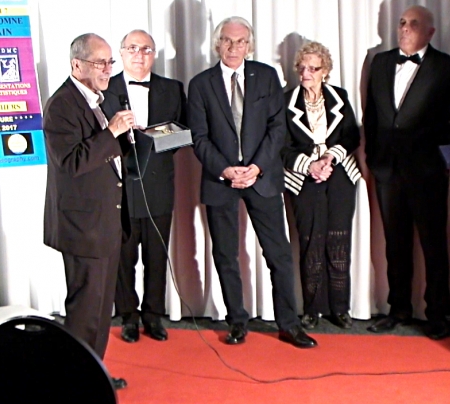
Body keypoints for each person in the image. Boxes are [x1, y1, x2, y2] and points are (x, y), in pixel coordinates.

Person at [187, 16, 317, 348]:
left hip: (263, 179)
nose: (234, 47)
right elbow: (199, 138)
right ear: (218, 44)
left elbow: (278, 128)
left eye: (241, 41)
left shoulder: (267, 76)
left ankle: (288, 323)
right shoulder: (201, 84)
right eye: (228, 41)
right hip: (221, 181)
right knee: (226, 255)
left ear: (250, 45)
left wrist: (256, 167)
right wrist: (227, 170)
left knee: (279, 255)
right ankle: (237, 321)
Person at [363, 5, 450, 339]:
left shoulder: (449, 68)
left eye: (414, 24)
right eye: (402, 23)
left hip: (429, 172)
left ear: (430, 32)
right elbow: (372, 115)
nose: (405, 29)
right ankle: (399, 308)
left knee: (433, 245)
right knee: (395, 243)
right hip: (387, 171)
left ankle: (437, 313)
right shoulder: (379, 62)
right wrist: (372, 158)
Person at [43, 33, 134, 390]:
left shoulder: (102, 99)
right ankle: (73, 383)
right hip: (82, 228)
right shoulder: (61, 105)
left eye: (111, 62)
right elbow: (72, 162)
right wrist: (112, 132)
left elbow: (108, 156)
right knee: (84, 313)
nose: (108, 69)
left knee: (100, 312)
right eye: (100, 62)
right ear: (76, 64)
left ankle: (92, 376)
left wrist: (129, 136)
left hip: (107, 223)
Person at [101, 29, 187, 343]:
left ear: (154, 54)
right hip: (117, 189)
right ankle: (127, 317)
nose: (140, 55)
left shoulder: (172, 88)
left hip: (158, 186)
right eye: (133, 48)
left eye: (147, 49)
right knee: (123, 258)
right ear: (121, 54)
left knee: (157, 257)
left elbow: (183, 135)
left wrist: (151, 141)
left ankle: (153, 317)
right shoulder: (103, 88)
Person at [281, 42, 361, 330]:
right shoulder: (285, 100)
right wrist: (309, 165)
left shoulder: (339, 96)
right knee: (310, 242)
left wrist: (329, 157)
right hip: (303, 178)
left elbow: (352, 136)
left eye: (313, 68)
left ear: (324, 71)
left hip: (340, 174)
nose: (306, 73)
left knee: (338, 240)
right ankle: (312, 309)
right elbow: (282, 146)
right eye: (302, 67)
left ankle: (340, 307)